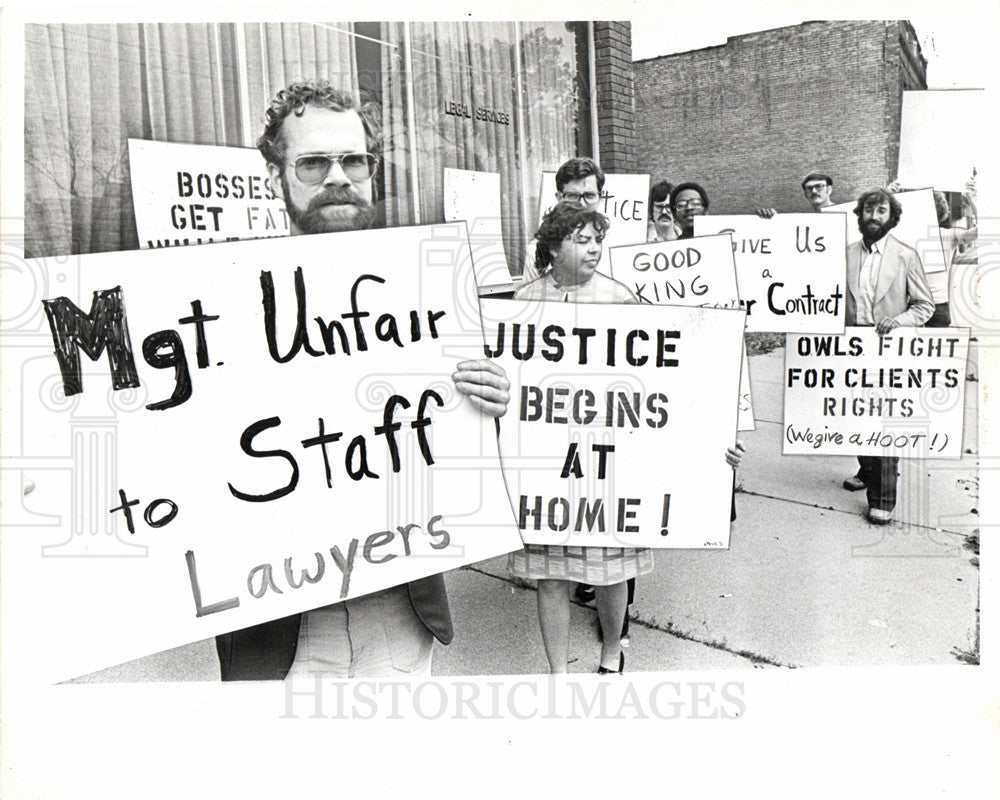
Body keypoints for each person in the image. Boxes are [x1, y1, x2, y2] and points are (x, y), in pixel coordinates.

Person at [215, 80, 510, 681]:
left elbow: (455, 448)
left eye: (353, 160)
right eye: (313, 161)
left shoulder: (425, 295)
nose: (338, 176)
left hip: (399, 611)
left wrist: (490, 402)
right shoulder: (218, 303)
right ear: (276, 177)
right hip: (284, 630)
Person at [512, 201, 743, 673]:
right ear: (553, 247)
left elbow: (664, 382)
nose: (594, 248)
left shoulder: (620, 299)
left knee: (610, 568)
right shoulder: (523, 300)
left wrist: (711, 437)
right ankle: (557, 671)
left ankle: (611, 649)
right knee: (550, 574)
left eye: (598, 239)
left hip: (611, 458)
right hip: (550, 461)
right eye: (582, 239)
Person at [841, 189, 934, 525]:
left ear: (891, 218)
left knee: (883, 422)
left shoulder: (905, 256)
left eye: (881, 211)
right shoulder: (847, 253)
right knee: (855, 414)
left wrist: (897, 322)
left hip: (890, 352)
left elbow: (924, 305)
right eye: (868, 210)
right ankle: (867, 471)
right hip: (851, 351)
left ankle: (883, 498)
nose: (874, 216)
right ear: (860, 215)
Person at [885, 179, 978, 328]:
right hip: (937, 305)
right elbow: (982, 230)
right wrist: (972, 199)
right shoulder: (949, 235)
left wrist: (888, 195)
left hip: (911, 305)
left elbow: (879, 227)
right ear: (943, 211)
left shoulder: (906, 234)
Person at [521, 157, 606, 283]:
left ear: (601, 197)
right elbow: (530, 300)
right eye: (573, 196)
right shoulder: (539, 249)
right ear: (559, 198)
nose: (582, 204)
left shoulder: (618, 245)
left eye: (589, 195)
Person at [757, 170, 835, 218]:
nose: (814, 191)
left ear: (829, 190)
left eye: (819, 186)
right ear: (805, 194)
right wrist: (775, 218)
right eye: (809, 188)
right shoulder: (807, 219)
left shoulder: (845, 213)